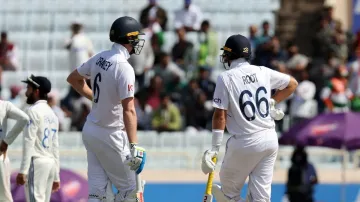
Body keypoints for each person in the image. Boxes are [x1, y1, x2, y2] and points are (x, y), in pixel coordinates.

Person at [201, 34, 298, 202]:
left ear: (230, 55)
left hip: (245, 141)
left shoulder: (226, 78)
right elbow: (292, 84)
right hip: (269, 139)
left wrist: (215, 148)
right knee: (260, 199)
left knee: (228, 195)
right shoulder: (262, 71)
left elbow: (219, 115)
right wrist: (272, 102)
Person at [66, 16, 147, 202]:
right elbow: (129, 110)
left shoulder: (100, 57)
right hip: (111, 135)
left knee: (97, 193)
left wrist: (95, 98)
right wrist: (134, 145)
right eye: (136, 38)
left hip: (91, 131)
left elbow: (73, 79)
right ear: (129, 39)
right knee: (133, 190)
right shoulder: (124, 68)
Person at [17, 75, 60, 202]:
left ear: (36, 91)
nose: (26, 92)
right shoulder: (52, 114)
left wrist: (23, 171)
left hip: (37, 163)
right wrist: (56, 175)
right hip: (50, 163)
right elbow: (55, 147)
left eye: (28, 88)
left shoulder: (32, 111)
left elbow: (28, 141)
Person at [0, 100, 29, 202]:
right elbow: (24, 118)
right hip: (1, 158)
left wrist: (7, 141)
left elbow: (24, 118)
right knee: (4, 198)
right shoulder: (4, 105)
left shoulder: (4, 105)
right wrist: (7, 141)